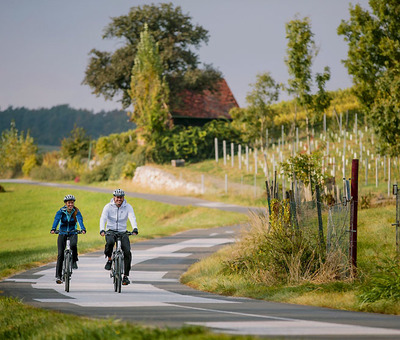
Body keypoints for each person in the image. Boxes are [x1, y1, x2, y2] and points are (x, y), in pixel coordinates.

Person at [100, 189, 138, 286]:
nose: (119, 199)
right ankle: (109, 259)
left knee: (127, 252)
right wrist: (102, 229)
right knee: (110, 243)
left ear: (123, 198)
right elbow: (103, 218)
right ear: (114, 198)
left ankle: (125, 276)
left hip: (122, 232)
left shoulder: (128, 207)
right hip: (111, 231)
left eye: (121, 197)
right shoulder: (108, 207)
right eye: (117, 197)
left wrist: (135, 228)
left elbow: (132, 217)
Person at [50, 194, 86, 284]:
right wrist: (53, 228)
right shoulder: (61, 211)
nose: (71, 204)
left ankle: (74, 260)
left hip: (73, 232)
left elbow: (80, 220)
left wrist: (82, 229)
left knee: (73, 245)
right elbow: (56, 219)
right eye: (69, 203)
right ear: (65, 203)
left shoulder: (76, 211)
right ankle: (58, 276)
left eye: (72, 203)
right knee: (60, 254)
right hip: (62, 233)